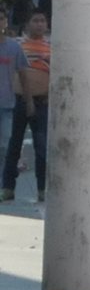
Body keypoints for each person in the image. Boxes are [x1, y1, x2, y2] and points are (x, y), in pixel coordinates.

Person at [1, 12, 50, 202]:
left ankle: (42, 189)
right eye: (35, 21)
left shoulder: (52, 47)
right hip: (17, 101)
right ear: (27, 24)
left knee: (41, 147)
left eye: (42, 21)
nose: (39, 24)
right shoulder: (17, 45)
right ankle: (7, 187)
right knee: (12, 145)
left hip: (42, 102)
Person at [0, 14, 29, 162]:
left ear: (5, 22)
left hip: (6, 105)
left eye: (1, 19)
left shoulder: (14, 47)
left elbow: (23, 74)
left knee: (5, 145)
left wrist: (28, 99)